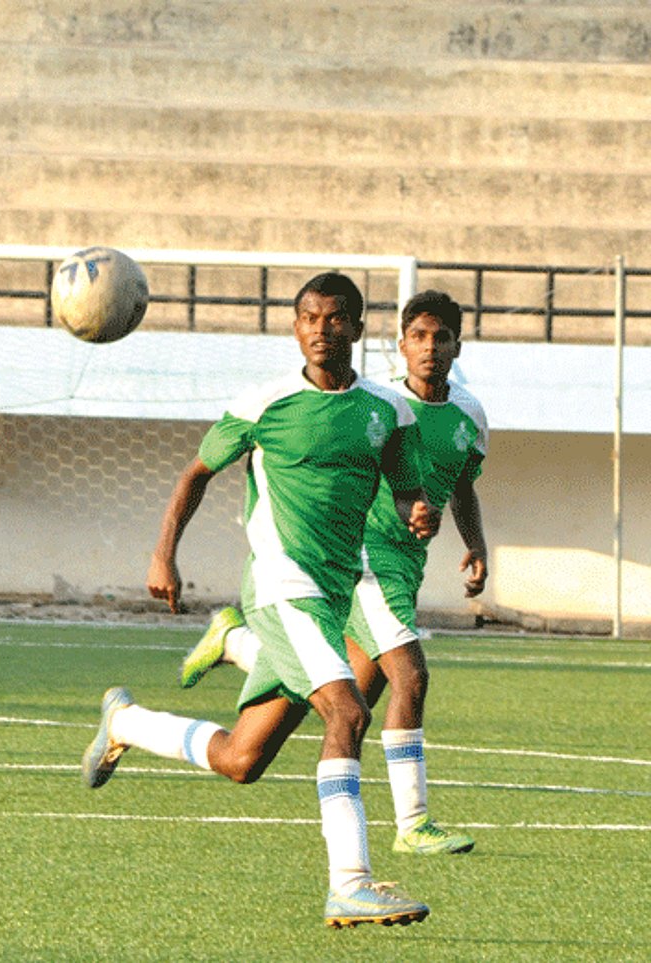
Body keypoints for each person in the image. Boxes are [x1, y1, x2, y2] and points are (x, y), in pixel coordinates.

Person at [84, 273, 438, 929]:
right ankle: (351, 882)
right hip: (281, 586)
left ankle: (128, 723)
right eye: (308, 317)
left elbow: (407, 481)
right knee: (349, 711)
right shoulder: (265, 403)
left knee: (243, 760)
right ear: (295, 324)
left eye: (335, 319)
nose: (320, 330)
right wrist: (164, 553)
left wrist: (419, 508)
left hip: (331, 596)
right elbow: (196, 473)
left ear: (358, 329)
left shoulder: (391, 410)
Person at [180, 290, 487, 857]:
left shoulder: (467, 415)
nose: (429, 348)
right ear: (398, 344)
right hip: (364, 563)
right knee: (401, 682)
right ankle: (405, 829)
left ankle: (226, 652)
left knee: (250, 755)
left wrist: (473, 542)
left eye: (440, 337)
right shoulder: (374, 403)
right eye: (418, 336)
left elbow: (454, 486)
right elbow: (200, 470)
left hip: (388, 569)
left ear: (457, 346)